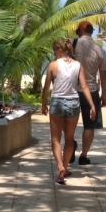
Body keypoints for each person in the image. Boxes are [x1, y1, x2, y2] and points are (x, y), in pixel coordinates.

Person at [42, 39, 96, 184]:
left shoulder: (53, 65)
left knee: (55, 138)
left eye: (54, 50)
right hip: (73, 103)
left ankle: (60, 166)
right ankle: (65, 168)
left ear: (59, 50)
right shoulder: (78, 65)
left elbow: (46, 87)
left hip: (57, 102)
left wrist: (43, 104)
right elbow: (84, 86)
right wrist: (92, 105)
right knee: (69, 138)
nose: (54, 53)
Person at [74, 20, 106, 165]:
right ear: (91, 31)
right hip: (91, 90)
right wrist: (104, 95)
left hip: (72, 89)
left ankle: (70, 148)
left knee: (68, 122)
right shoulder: (100, 50)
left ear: (80, 31)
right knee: (89, 125)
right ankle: (83, 155)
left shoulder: (72, 44)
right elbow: (103, 75)